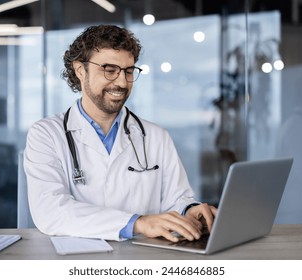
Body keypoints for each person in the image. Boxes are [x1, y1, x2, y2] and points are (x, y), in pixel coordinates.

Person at [24, 24, 217, 242]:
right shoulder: (46, 135)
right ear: (80, 70)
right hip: (78, 261)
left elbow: (178, 199)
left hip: (144, 258)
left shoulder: (155, 136)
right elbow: (50, 212)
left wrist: (188, 211)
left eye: (128, 71)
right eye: (109, 70)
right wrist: (137, 223)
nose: (122, 82)